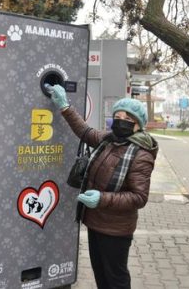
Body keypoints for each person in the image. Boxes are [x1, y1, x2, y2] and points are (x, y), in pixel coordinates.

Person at [46, 84, 158, 289]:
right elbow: (85, 131)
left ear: (138, 125)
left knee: (115, 279)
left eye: (128, 120)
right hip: (96, 222)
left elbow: (139, 197)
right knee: (101, 275)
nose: (121, 122)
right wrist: (64, 107)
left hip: (116, 230)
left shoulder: (141, 154)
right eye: (118, 117)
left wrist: (101, 198)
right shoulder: (109, 140)